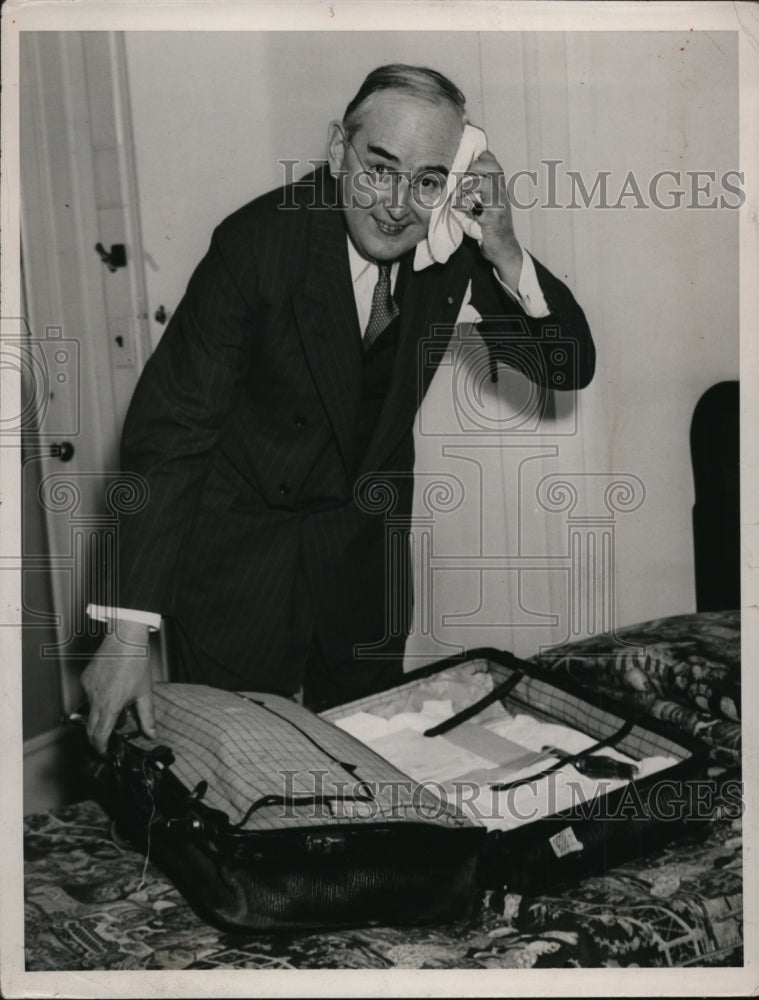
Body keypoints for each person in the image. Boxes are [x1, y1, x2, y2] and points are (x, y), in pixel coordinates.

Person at [81, 64, 595, 754]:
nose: (397, 205)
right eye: (379, 168)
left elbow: (565, 366)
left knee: (369, 752)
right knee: (246, 762)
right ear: (335, 151)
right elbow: (172, 434)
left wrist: (502, 245)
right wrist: (126, 633)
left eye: (428, 180)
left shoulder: (450, 247)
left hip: (360, 556)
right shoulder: (257, 244)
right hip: (239, 556)